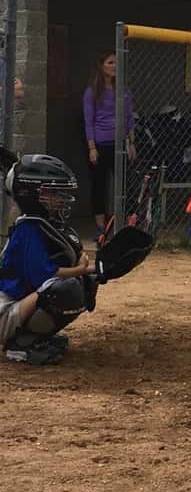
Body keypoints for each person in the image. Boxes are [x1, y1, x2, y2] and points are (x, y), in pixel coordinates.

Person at [0, 153, 98, 365]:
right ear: (30, 195)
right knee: (62, 290)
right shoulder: (28, 230)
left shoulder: (40, 224)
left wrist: (99, 270)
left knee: (84, 284)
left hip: (17, 305)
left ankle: (37, 337)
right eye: (51, 193)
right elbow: (49, 275)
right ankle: (21, 345)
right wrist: (82, 269)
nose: (59, 198)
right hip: (4, 312)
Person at [83, 52, 136, 238]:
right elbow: (88, 121)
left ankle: (127, 220)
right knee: (100, 184)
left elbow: (129, 118)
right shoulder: (92, 91)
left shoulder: (123, 90)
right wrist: (91, 147)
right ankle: (100, 224)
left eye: (116, 63)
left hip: (120, 142)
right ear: (101, 66)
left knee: (127, 182)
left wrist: (131, 142)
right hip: (100, 143)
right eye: (110, 63)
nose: (114, 66)